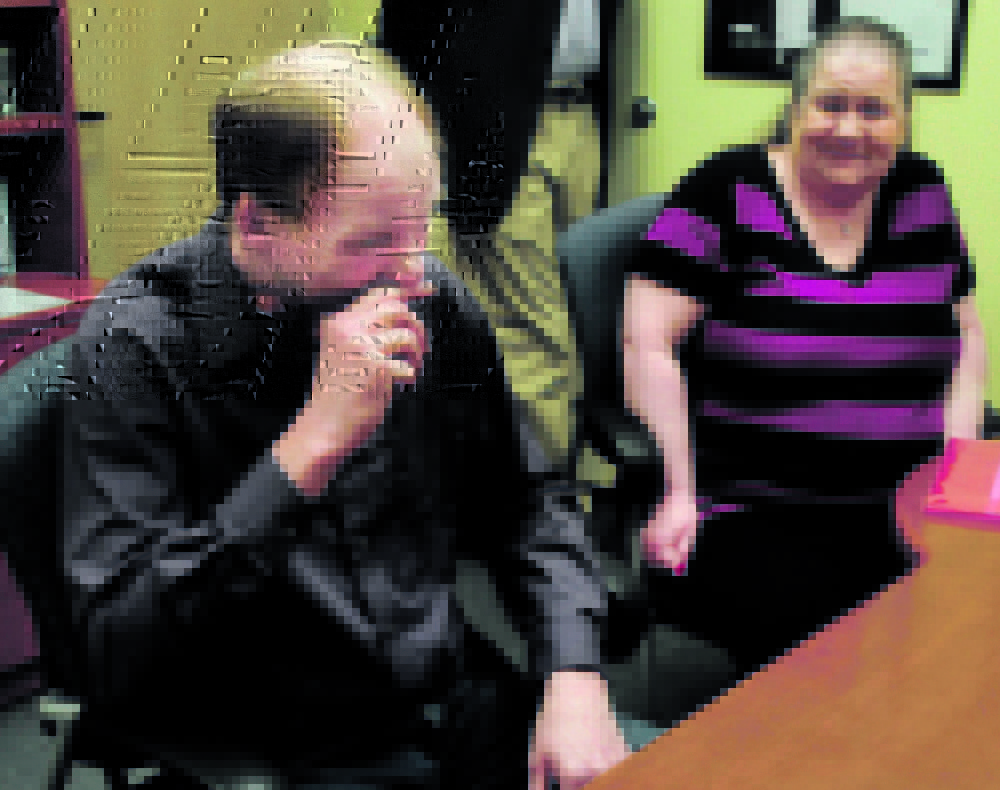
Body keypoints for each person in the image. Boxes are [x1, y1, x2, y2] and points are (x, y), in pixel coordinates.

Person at [1, 42, 629, 789]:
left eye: (421, 227)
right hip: (279, 739)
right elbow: (120, 650)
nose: (411, 270)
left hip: (449, 698)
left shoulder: (427, 294)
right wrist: (310, 448)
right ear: (258, 225)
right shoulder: (136, 345)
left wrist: (573, 671)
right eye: (372, 243)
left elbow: (526, 501)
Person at [617, 18, 987, 682]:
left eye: (874, 109)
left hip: (902, 503)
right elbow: (647, 343)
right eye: (830, 104)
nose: (849, 128)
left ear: (904, 119)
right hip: (755, 511)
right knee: (859, 656)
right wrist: (677, 491)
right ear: (795, 106)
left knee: (968, 624)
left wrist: (954, 479)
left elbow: (968, 340)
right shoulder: (726, 190)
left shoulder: (922, 192)